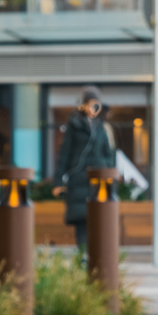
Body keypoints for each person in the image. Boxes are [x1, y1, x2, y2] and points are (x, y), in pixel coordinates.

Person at [57, 86, 115, 255]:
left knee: (97, 220)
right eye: (90, 104)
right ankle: (83, 256)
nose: (94, 108)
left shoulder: (103, 128)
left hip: (98, 182)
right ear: (83, 105)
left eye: (96, 104)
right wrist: (58, 181)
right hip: (78, 181)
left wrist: (107, 173)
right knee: (82, 221)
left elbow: (109, 154)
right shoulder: (73, 126)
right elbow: (64, 155)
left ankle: (96, 255)